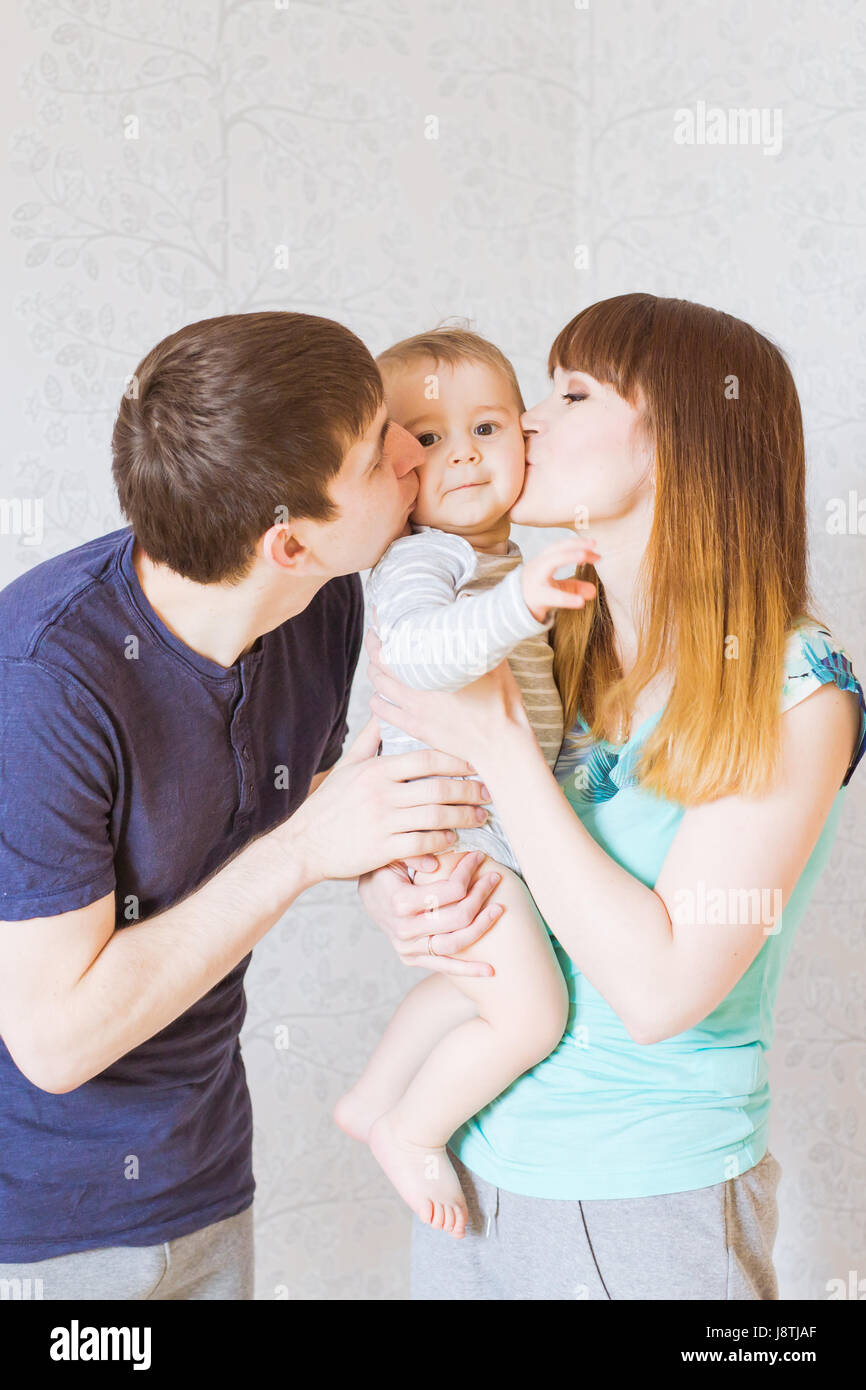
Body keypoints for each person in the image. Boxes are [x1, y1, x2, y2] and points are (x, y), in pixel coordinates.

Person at [358, 293, 866, 1300]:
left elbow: (661, 991)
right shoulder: (546, 639)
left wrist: (500, 754)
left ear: (683, 434)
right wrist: (394, 894)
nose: (528, 418)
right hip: (472, 1165)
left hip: (645, 1200)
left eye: (572, 390)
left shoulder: (792, 682)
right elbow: (371, 785)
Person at [0, 311, 497, 1300]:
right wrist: (315, 848)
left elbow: (286, 799)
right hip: (47, 1225)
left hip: (206, 1167)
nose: (411, 451)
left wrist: (375, 872)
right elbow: (54, 1040)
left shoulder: (324, 603)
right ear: (286, 542)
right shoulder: (46, 679)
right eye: (372, 455)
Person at [335, 327, 597, 1237]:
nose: (466, 455)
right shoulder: (426, 561)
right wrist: (521, 603)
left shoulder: (502, 560)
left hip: (483, 820)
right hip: (456, 822)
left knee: (472, 980)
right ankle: (413, 1130)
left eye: (487, 426)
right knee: (531, 1014)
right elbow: (416, 651)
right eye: (431, 439)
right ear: (397, 471)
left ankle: (373, 1097)